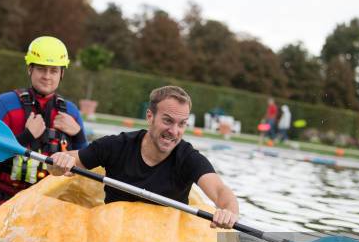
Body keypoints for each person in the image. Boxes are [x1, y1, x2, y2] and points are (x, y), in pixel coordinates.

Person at [49, 85, 239, 229]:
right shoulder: (116, 146)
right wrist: (61, 161)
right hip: (114, 237)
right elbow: (59, 166)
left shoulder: (188, 158)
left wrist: (229, 212)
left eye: (182, 124)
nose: (174, 131)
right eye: (167, 121)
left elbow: (220, 191)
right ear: (150, 116)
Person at [0, 35, 88, 212]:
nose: (47, 76)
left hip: (48, 203)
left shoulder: (71, 112)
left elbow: (87, 164)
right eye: (41, 69)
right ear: (30, 69)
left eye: (53, 71)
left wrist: (79, 135)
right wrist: (26, 137)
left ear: (62, 74)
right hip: (4, 199)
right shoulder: (5, 104)